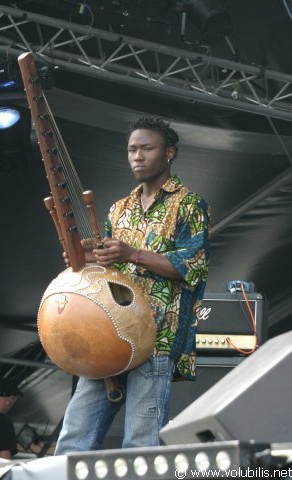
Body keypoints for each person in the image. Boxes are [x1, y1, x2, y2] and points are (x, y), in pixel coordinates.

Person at [55, 116, 211, 453]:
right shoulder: (118, 209)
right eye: (131, 150)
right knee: (74, 437)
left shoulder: (190, 205)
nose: (137, 156)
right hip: (109, 333)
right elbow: (112, 269)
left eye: (146, 148)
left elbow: (192, 268)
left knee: (141, 444)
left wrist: (132, 253)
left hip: (156, 339)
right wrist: (87, 261)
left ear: (169, 152)